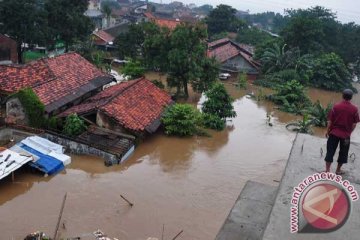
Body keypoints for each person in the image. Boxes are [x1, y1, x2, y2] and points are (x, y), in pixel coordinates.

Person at [325, 89, 360, 174]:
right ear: (351, 97)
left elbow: (330, 121)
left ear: (342, 96)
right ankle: (338, 170)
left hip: (334, 133)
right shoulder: (355, 109)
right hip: (346, 136)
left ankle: (327, 171)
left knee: (330, 151)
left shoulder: (336, 106)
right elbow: (354, 124)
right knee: (343, 153)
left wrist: (327, 131)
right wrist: (349, 132)